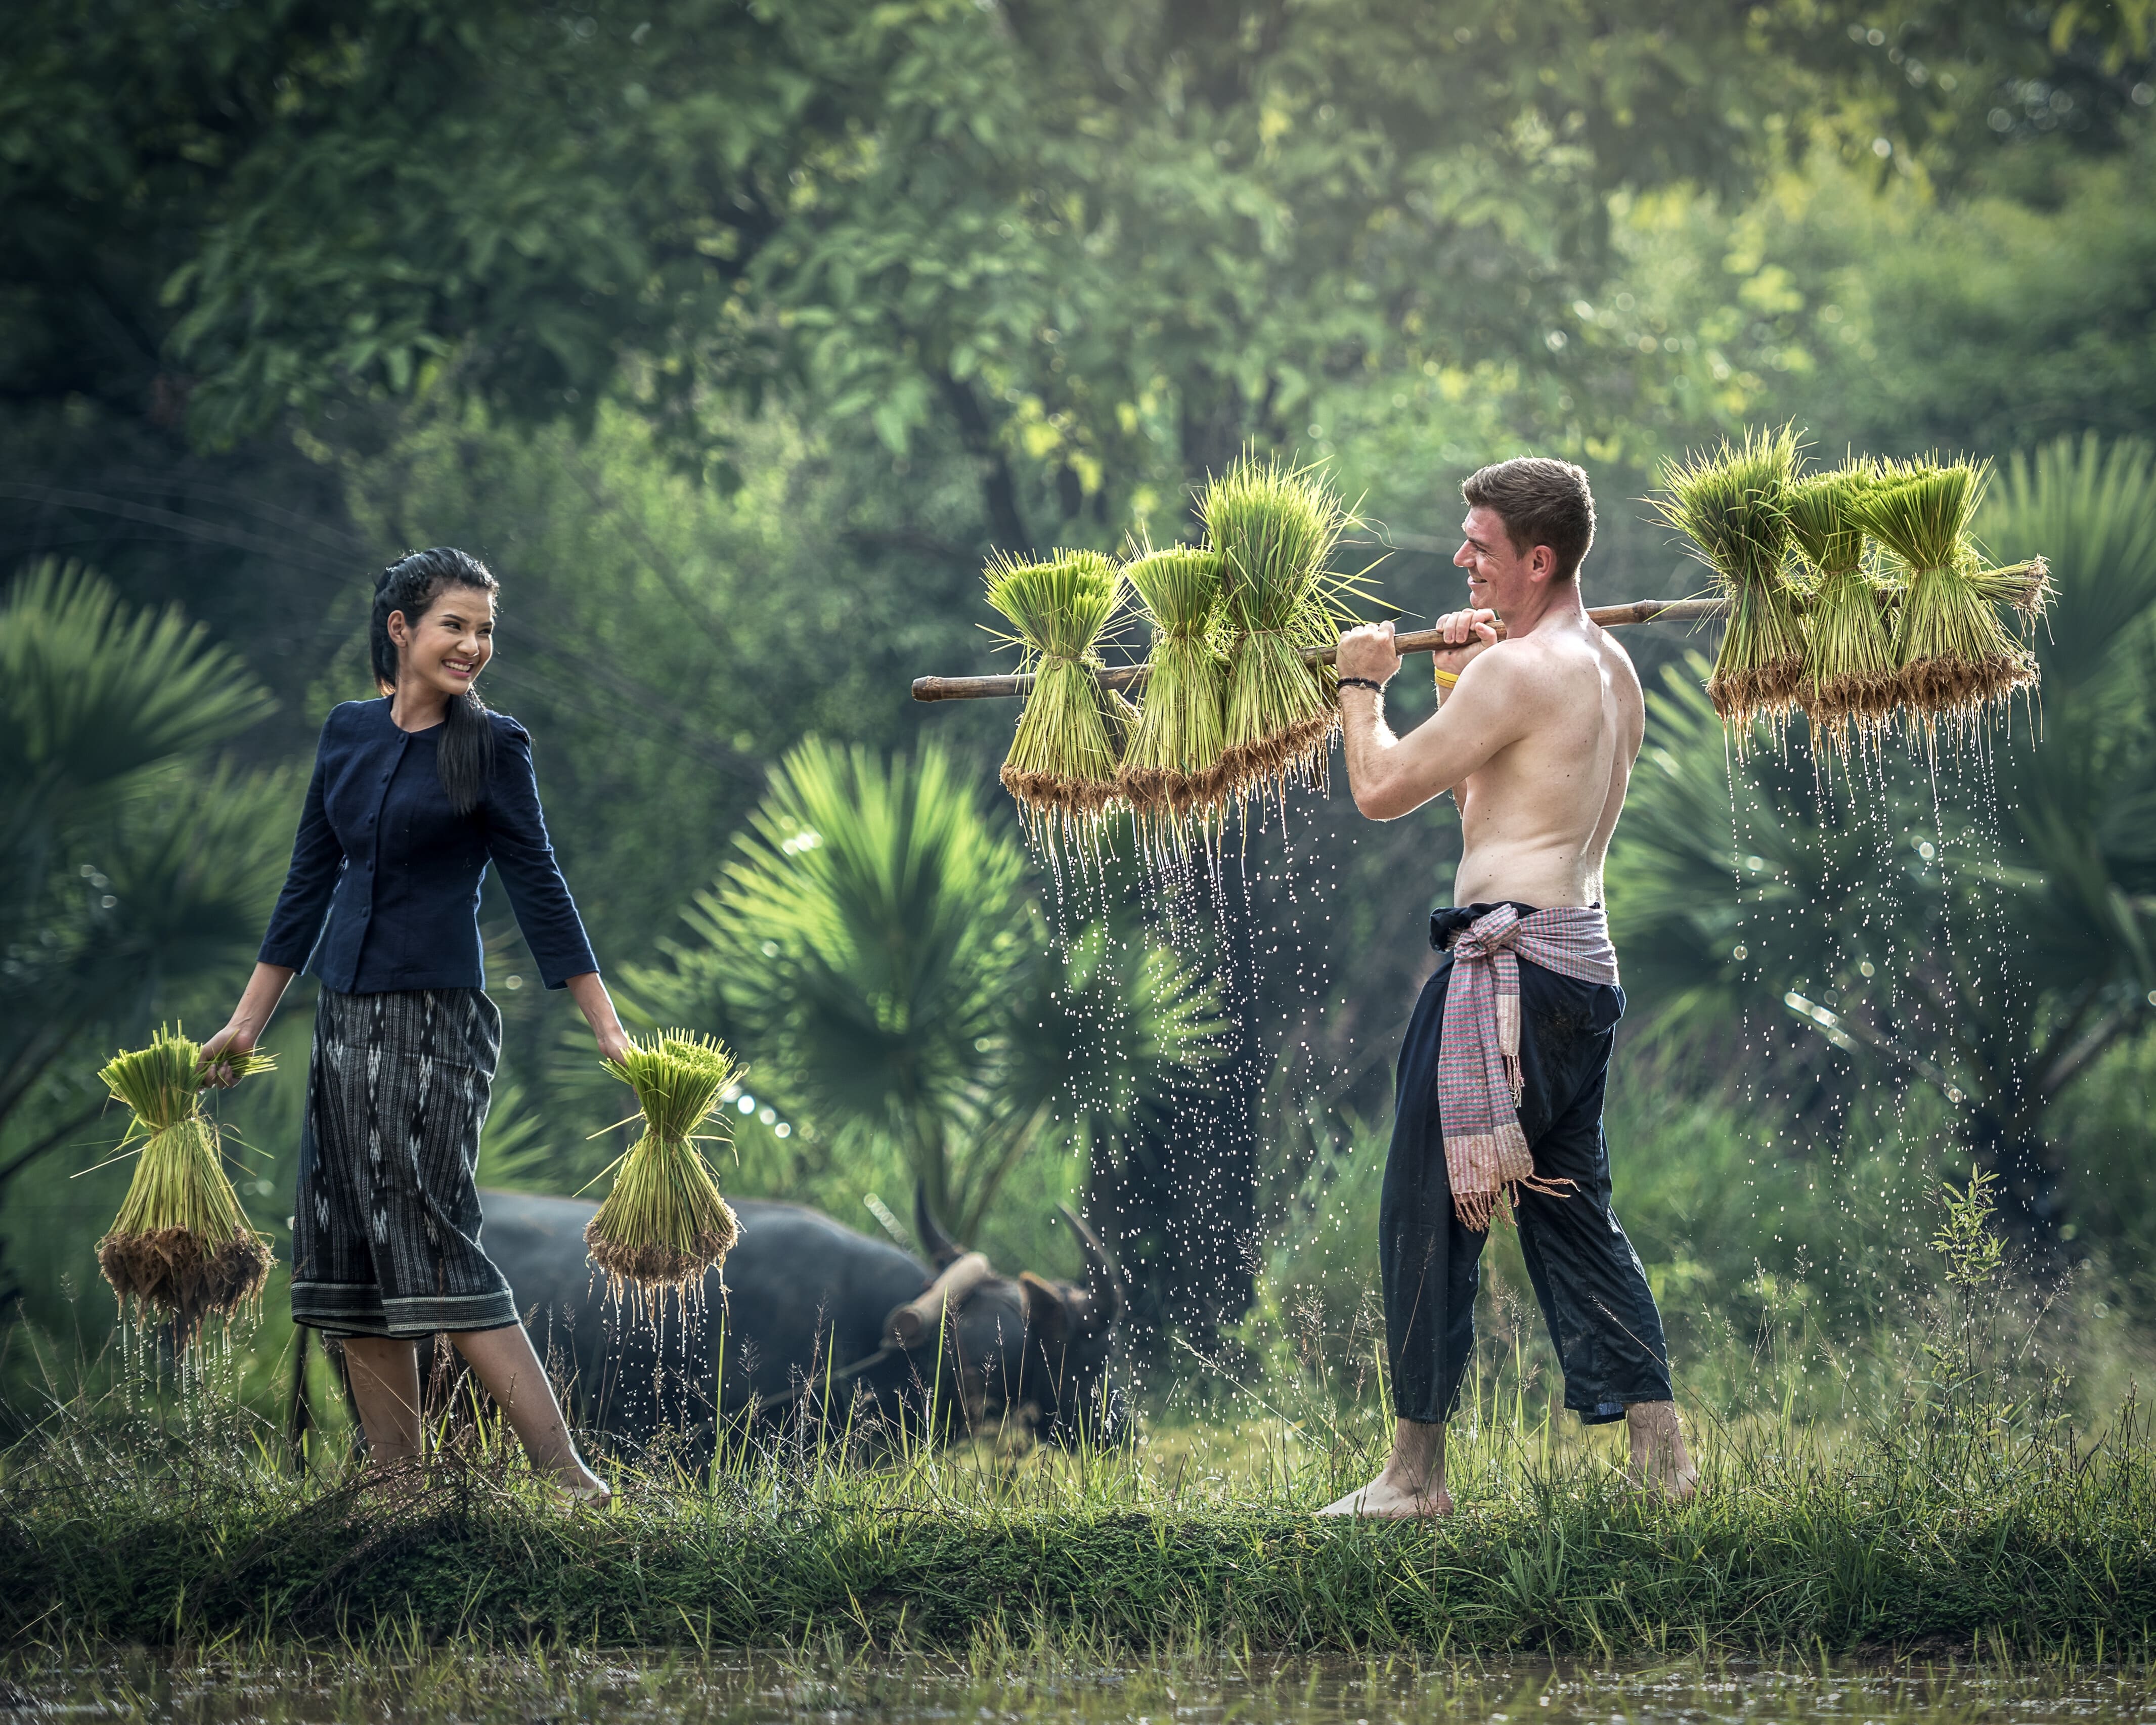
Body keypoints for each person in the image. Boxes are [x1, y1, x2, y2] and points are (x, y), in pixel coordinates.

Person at [202, 547, 627, 1504]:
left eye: (485, 631)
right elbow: (308, 884)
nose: (474, 646)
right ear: (400, 628)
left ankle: (572, 1483)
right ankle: (398, 1487)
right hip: (345, 1023)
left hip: (435, 1024)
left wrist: (606, 1026)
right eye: (455, 626)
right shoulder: (347, 735)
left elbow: (540, 890)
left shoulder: (493, 748)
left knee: (431, 1236)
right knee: (346, 1242)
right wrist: (245, 1023)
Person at [1318, 457, 1696, 1517]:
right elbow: (1495, 806)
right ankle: (1663, 1461)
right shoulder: (1605, 667)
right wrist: (1449, 678)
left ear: (1537, 559)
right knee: (1573, 1213)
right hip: (1580, 973)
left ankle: (1412, 1476)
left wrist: (1359, 681)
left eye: (1478, 546)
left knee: (1422, 1208)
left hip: (1505, 977)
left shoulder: (1518, 672)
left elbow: (1384, 787)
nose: (1459, 560)